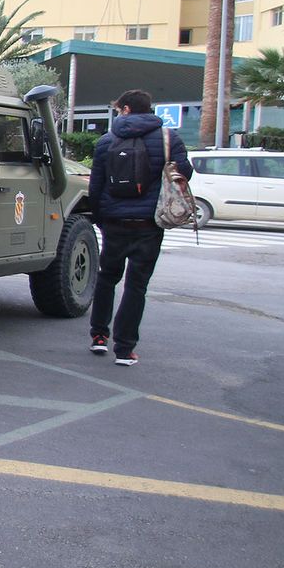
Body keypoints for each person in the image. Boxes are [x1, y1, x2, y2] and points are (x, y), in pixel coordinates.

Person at [85, 89, 192, 367]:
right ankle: (124, 349)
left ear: (128, 109)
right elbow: (184, 174)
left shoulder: (107, 140)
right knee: (136, 285)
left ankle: (98, 336)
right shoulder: (170, 139)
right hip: (149, 222)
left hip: (114, 222)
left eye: (120, 109)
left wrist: (99, 216)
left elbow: (95, 185)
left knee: (107, 278)